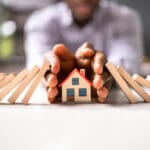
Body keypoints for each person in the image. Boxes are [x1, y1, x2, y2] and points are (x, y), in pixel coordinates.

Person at [24, 0, 144, 103]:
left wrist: (106, 71)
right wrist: (47, 71)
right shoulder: (40, 21)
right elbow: (36, 62)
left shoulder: (125, 18)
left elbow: (129, 64)